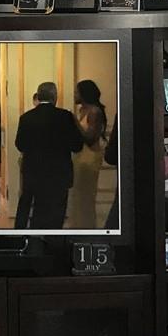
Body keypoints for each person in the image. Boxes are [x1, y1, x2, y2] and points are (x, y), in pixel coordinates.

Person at [12, 82, 84, 229]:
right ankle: (52, 239)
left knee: (29, 206)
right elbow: (77, 145)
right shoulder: (65, 117)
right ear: (55, 97)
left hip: (33, 171)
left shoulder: (26, 117)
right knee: (56, 214)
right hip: (58, 173)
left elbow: (20, 144)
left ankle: (26, 235)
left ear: (38, 96)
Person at [68, 79, 108, 228]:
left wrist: (75, 122)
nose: (74, 95)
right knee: (77, 195)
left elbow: (90, 138)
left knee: (86, 195)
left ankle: (87, 227)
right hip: (80, 156)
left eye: (77, 92)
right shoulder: (82, 110)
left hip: (89, 157)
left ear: (84, 94)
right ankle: (78, 226)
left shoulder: (94, 112)